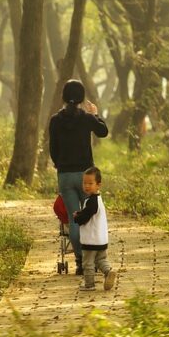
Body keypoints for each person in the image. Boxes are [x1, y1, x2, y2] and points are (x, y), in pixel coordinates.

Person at [48, 78, 108, 275]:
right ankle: (96, 260)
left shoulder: (55, 120)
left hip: (65, 175)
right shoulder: (86, 118)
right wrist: (96, 114)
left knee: (74, 220)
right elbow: (103, 132)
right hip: (86, 176)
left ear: (64, 97)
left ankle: (81, 262)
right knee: (90, 217)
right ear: (82, 98)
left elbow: (53, 150)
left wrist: (60, 165)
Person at [73, 165, 116, 292]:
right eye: (84, 183)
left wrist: (77, 217)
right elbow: (89, 213)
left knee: (88, 263)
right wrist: (81, 213)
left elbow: (86, 216)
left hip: (91, 240)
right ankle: (108, 272)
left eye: (90, 183)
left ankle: (89, 284)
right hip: (101, 239)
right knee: (100, 259)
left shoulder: (92, 201)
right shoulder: (97, 199)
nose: (86, 186)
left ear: (98, 185)